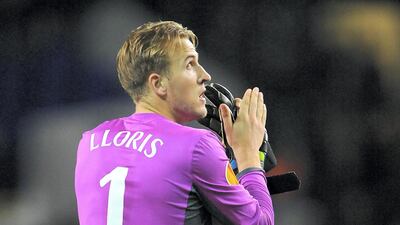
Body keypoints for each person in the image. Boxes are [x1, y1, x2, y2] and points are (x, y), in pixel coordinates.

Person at [75, 21, 274, 225]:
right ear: (158, 83)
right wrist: (248, 155)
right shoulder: (197, 146)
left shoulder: (90, 141)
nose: (205, 75)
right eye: (190, 65)